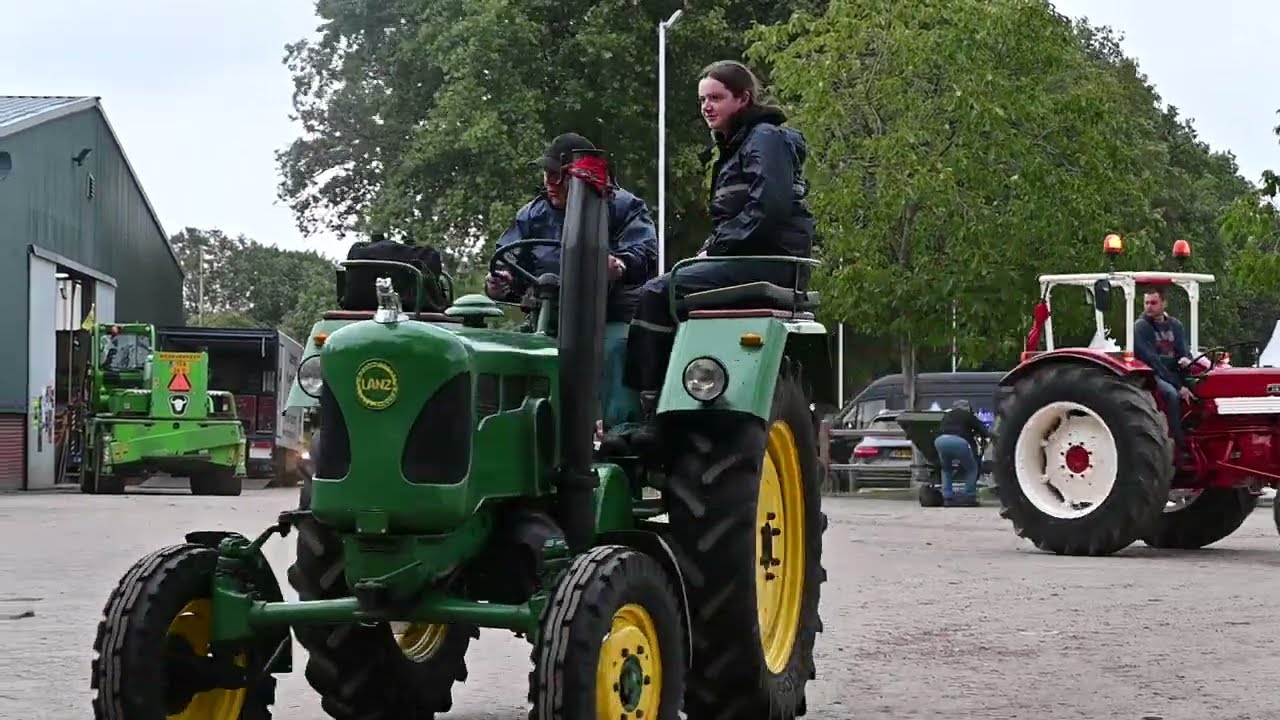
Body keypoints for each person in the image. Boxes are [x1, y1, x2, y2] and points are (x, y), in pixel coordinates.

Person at [602, 60, 815, 452]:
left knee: (656, 294)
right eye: (702, 99)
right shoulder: (737, 146)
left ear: (743, 98)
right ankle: (662, 400)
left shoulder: (764, 139)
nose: (706, 107)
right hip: (749, 259)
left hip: (769, 263)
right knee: (653, 294)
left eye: (716, 98)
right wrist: (715, 248)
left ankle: (649, 417)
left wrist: (715, 248)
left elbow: (768, 208)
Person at [485, 132, 658, 429]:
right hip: (547, 318)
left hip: (608, 315)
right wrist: (502, 280)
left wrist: (617, 265)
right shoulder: (531, 215)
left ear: (582, 176)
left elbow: (644, 252)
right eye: (547, 174)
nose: (550, 184)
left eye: (559, 176)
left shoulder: (623, 207)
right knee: (504, 352)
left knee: (618, 350)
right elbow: (510, 260)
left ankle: (620, 433)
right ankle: (508, 429)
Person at [1133, 287, 1194, 453]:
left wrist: (1186, 364)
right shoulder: (1141, 327)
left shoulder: (1176, 326)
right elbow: (1152, 361)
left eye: (1153, 303)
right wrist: (1179, 386)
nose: (1149, 307)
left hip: (1173, 372)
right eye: (1146, 303)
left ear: (1164, 303)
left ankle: (1195, 432)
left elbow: (1183, 352)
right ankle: (1176, 441)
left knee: (1201, 388)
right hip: (1152, 374)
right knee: (1171, 394)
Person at [934, 400, 990, 507]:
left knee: (946, 469)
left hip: (940, 441)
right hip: (958, 441)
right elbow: (984, 431)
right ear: (967, 407)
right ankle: (969, 496)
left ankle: (947, 497)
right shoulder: (968, 415)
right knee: (972, 468)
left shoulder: (947, 415)